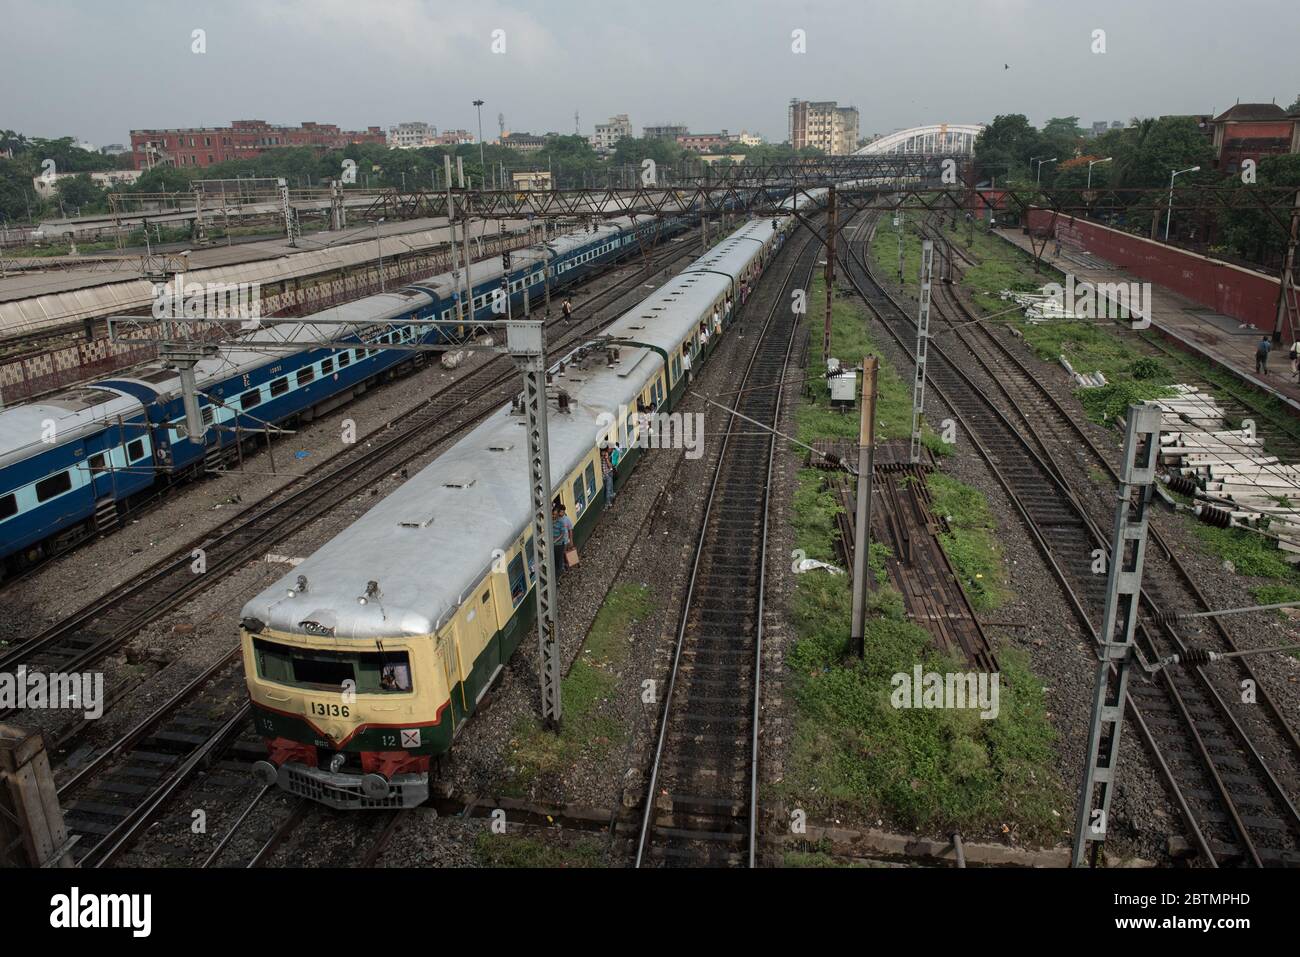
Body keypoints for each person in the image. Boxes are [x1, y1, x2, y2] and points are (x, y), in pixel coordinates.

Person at [552, 502, 573, 576]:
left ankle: (568, 565)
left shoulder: (566, 519)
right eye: (560, 511)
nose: (562, 513)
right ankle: (566, 566)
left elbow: (570, 530)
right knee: (563, 554)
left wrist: (571, 541)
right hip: (561, 541)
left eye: (563, 511)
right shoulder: (555, 520)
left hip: (565, 540)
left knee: (565, 553)